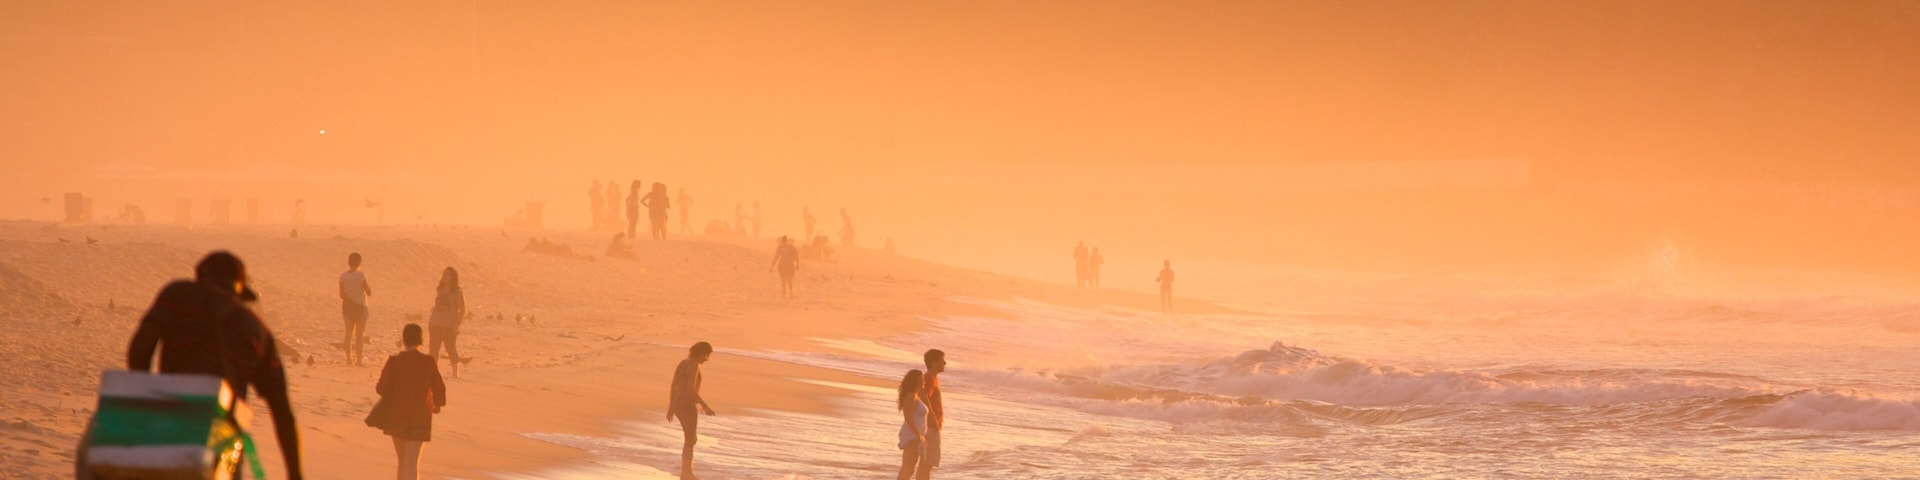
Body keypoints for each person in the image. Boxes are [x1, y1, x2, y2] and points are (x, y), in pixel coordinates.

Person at [119, 251, 304, 480]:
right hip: (223, 441)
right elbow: (283, 412)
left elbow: (140, 348)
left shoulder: (178, 294)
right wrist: (295, 474)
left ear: (200, 278)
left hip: (170, 423)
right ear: (240, 288)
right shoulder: (256, 329)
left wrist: (146, 403)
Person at [374, 324, 446, 480]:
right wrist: (437, 403)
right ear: (421, 339)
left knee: (402, 460)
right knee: (412, 462)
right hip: (420, 416)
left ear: (404, 340)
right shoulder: (428, 361)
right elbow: (439, 388)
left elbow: (380, 388)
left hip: (397, 416)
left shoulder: (394, 361)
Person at [668, 342, 717, 480]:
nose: (706, 359)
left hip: (678, 403)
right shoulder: (695, 365)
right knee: (691, 438)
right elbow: (690, 389)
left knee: (689, 437)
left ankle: (686, 472)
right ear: (700, 353)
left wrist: (671, 406)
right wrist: (705, 405)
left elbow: (673, 385)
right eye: (706, 355)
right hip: (687, 405)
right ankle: (686, 473)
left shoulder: (683, 362)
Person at [427, 267, 467, 379]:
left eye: (448, 275)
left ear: (453, 277)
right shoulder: (440, 290)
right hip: (435, 323)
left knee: (450, 349)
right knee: (433, 350)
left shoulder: (457, 292)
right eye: (444, 274)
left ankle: (455, 374)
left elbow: (463, 310)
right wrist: (431, 320)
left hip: (449, 325)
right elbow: (436, 307)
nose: (445, 277)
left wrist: (457, 324)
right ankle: (433, 373)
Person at [916, 350, 947, 480]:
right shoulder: (928, 378)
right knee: (927, 461)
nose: (945, 363)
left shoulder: (932, 378)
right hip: (930, 426)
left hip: (930, 425)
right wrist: (933, 417)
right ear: (934, 362)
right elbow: (923, 396)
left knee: (926, 461)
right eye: (942, 360)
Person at [340, 252, 374, 366]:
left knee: (348, 334)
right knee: (359, 335)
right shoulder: (361, 276)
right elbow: (368, 292)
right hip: (360, 308)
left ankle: (349, 360)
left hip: (347, 308)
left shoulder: (343, 277)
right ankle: (359, 360)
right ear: (359, 263)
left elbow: (341, 295)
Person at [896, 369, 928, 480]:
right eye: (921, 380)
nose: (923, 381)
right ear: (915, 381)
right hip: (912, 436)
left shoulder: (915, 395)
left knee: (910, 468)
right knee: (907, 468)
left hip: (916, 436)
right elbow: (908, 418)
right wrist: (918, 434)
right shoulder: (910, 396)